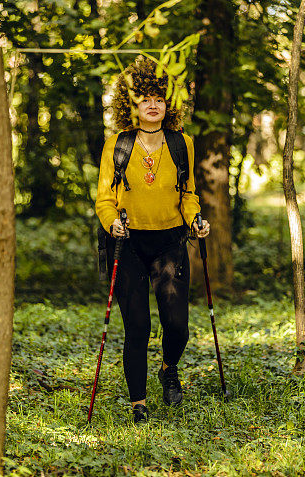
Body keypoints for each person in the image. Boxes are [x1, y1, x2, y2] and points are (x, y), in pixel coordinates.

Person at [95, 56, 210, 424]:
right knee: (138, 327)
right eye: (143, 97)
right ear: (130, 104)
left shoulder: (182, 143)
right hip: (128, 244)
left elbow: (188, 193)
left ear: (168, 104)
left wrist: (195, 219)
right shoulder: (117, 144)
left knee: (177, 325)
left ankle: (168, 368)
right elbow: (104, 198)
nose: (152, 103)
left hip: (170, 243)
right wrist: (112, 223)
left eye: (158, 97)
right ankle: (138, 403)